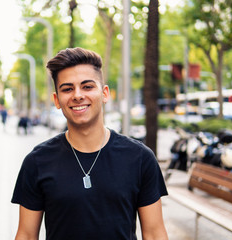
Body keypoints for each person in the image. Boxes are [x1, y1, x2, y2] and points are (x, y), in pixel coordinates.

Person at [11, 47, 168, 240]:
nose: (77, 95)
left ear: (104, 93)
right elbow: (26, 235)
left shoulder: (140, 158)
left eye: (87, 87)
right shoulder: (37, 161)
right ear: (57, 99)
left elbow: (154, 234)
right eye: (67, 89)